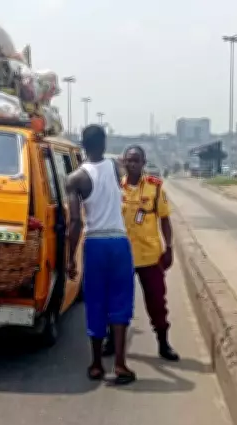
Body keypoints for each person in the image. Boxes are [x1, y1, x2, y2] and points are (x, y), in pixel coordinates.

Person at [66, 125, 136, 385]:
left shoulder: (75, 179)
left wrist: (70, 257)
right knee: (120, 303)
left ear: (83, 145)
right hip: (119, 242)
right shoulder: (116, 168)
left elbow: (75, 222)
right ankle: (120, 364)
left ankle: (96, 365)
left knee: (95, 302)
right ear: (104, 143)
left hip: (94, 243)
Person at [102, 145, 179, 361]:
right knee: (116, 301)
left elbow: (165, 219)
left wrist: (169, 247)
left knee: (157, 302)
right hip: (121, 257)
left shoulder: (155, 188)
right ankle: (112, 340)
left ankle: (163, 343)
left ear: (143, 163)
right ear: (123, 162)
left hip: (149, 257)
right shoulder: (115, 188)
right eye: (129, 160)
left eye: (137, 160)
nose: (132, 164)